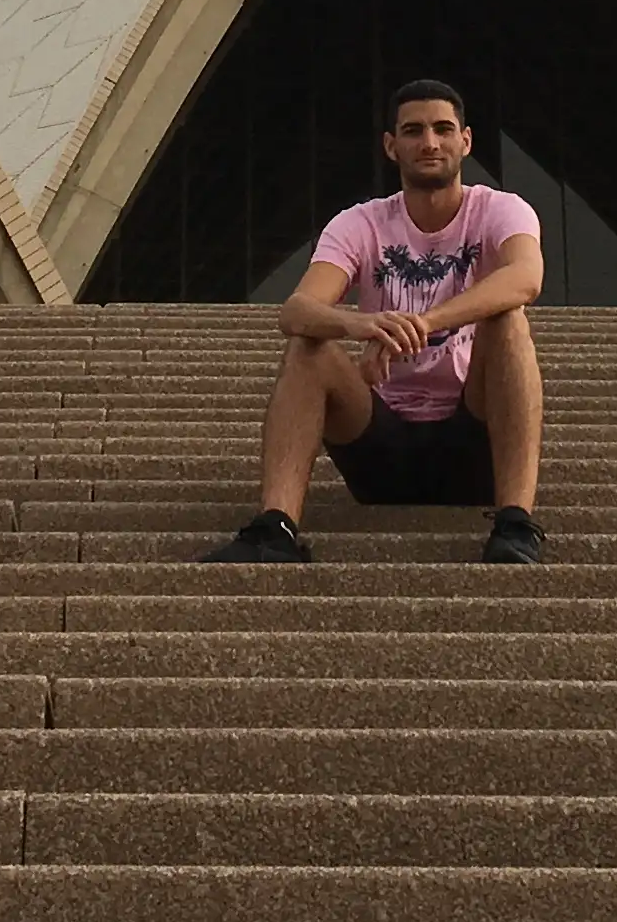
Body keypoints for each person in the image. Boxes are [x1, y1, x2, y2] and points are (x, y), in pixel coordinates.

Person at [202, 78, 548, 566]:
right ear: (392, 146)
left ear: (465, 141)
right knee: (309, 344)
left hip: (471, 444)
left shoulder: (498, 210)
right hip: (380, 444)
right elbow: (296, 309)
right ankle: (275, 529)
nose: (429, 142)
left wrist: (424, 322)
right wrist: (361, 326)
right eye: (412, 131)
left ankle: (516, 523)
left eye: (442, 129)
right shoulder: (359, 223)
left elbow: (526, 277)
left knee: (509, 322)